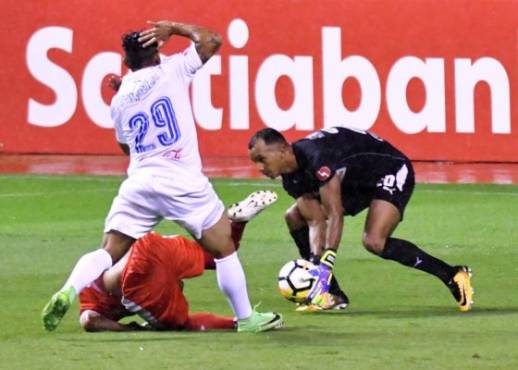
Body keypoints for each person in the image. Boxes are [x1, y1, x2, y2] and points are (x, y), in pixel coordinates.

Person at [42, 20, 282, 333]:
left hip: (140, 182)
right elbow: (212, 40)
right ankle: (248, 318)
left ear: (126, 62)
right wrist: (175, 28)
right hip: (181, 179)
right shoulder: (171, 69)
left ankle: (69, 289)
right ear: (157, 53)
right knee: (223, 249)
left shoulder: (119, 99)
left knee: (107, 251)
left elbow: (125, 145)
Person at [248, 126, 474, 312]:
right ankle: (330, 295)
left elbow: (335, 213)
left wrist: (327, 260)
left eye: (262, 159)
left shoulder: (317, 158)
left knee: (375, 241)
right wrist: (317, 264)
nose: (260, 168)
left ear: (283, 150)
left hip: (390, 169)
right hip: (356, 181)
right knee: (294, 217)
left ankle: (453, 275)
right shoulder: (290, 179)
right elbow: (316, 220)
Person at [79, 191, 277, 332]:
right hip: (150, 243)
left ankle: (236, 323)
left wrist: (131, 328)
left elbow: (89, 320)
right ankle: (237, 223)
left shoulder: (91, 300)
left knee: (175, 323)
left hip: (136, 277)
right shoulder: (98, 264)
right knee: (218, 255)